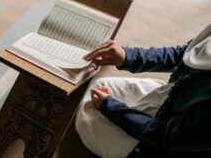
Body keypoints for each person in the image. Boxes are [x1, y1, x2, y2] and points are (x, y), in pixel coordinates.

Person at [75, 24, 211, 158]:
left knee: (87, 112)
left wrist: (110, 107)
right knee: (100, 85)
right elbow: (184, 53)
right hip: (174, 96)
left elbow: (165, 136)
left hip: (160, 144)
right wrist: (127, 56)